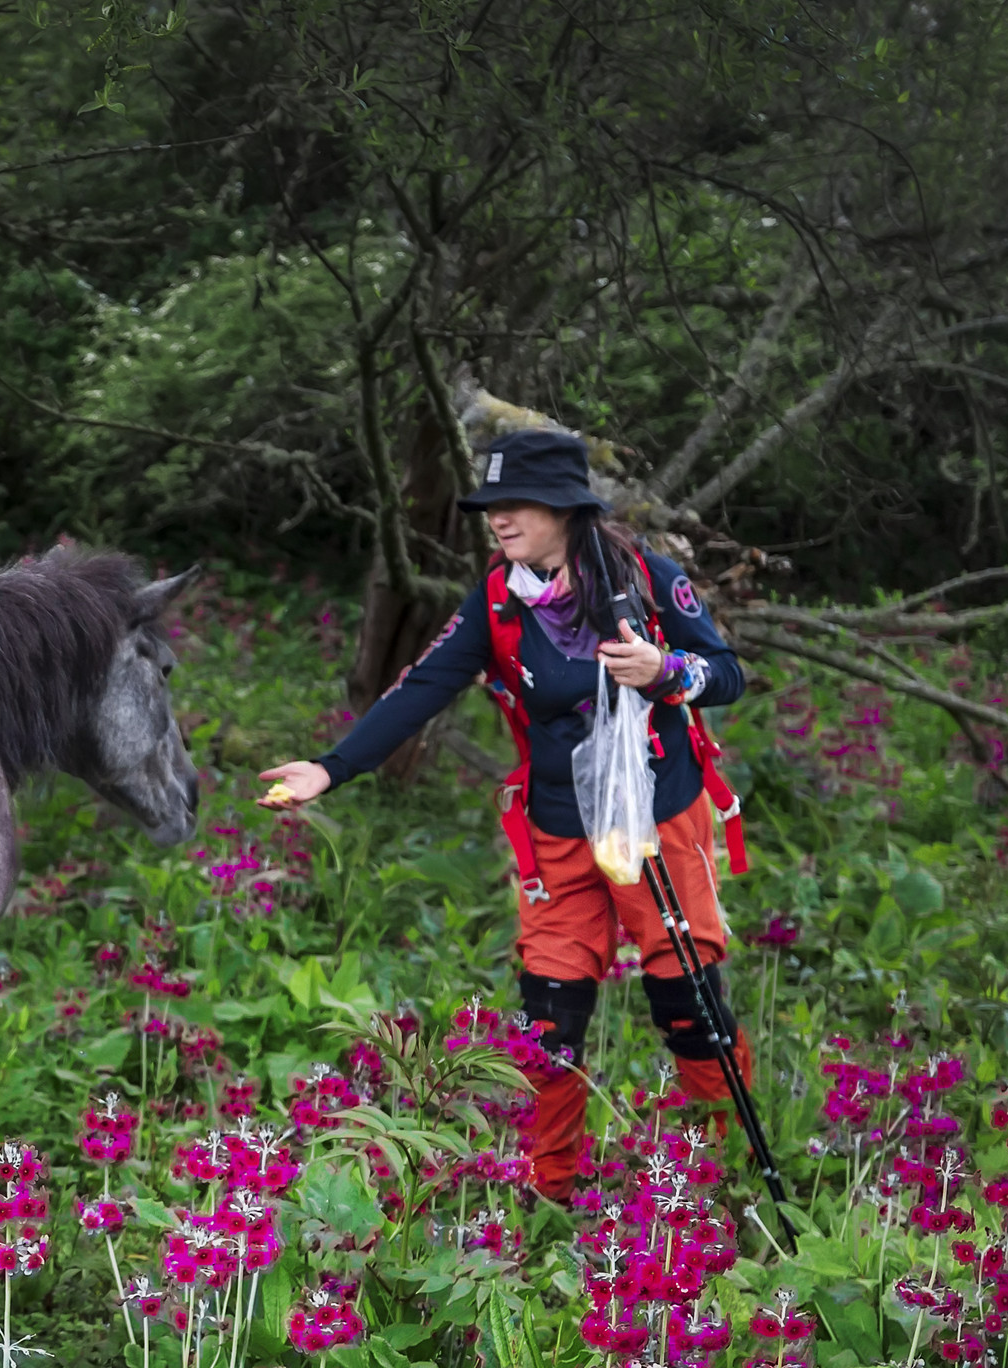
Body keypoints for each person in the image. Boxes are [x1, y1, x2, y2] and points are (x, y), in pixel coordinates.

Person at [256, 428, 754, 1199]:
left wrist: (667, 671)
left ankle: (726, 1166)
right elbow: (424, 686)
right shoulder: (497, 597)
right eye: (490, 505)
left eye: (515, 503)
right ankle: (550, 1188)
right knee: (548, 1018)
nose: (499, 518)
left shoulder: (646, 579)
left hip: (652, 817)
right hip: (556, 828)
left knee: (687, 1002)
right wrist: (331, 767)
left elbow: (727, 672)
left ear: (566, 507)